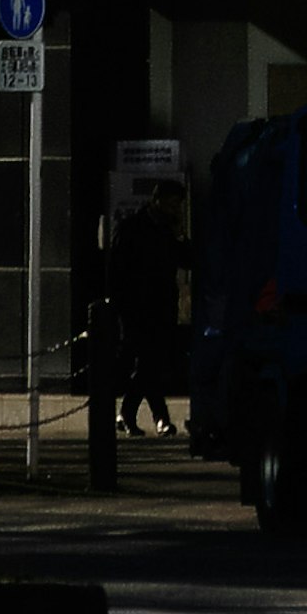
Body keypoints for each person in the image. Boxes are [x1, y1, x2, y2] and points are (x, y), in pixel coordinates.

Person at [105, 183, 187, 440]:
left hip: (162, 307)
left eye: (178, 204)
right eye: (171, 203)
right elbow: (116, 271)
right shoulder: (131, 228)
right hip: (135, 308)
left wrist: (179, 235)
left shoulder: (168, 230)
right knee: (147, 361)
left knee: (151, 362)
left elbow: (187, 259)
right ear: (157, 201)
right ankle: (155, 417)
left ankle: (130, 414)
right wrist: (118, 306)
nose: (175, 209)